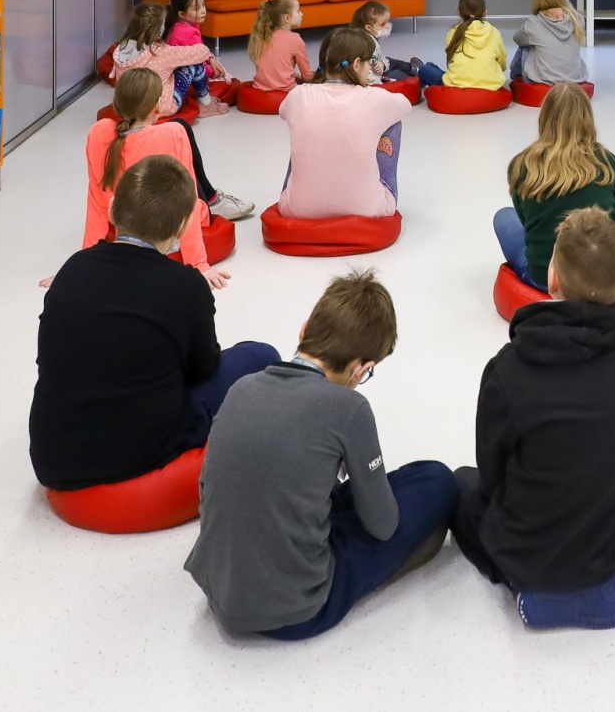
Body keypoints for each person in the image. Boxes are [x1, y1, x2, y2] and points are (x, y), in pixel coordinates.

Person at [184, 269, 458, 640]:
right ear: (361, 368)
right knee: (437, 480)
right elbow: (382, 525)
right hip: (298, 610)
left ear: (304, 331)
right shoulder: (349, 408)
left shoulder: (241, 388)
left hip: (220, 592)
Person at [453, 207, 615, 630]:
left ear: (551, 279)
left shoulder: (509, 370)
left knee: (459, 484)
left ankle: (528, 586)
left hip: (535, 551)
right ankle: (591, 582)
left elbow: (492, 469)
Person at [30, 155, 280, 491]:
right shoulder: (186, 285)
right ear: (182, 227)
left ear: (113, 208)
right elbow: (202, 370)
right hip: (140, 454)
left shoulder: (71, 270)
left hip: (52, 460)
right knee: (260, 356)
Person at [493, 82, 615, 299]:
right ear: (587, 119)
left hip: (544, 278)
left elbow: (527, 224)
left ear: (543, 118)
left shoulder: (522, 164)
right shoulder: (607, 162)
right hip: (609, 281)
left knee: (504, 217)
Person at [82, 70, 250, 290]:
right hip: (166, 228)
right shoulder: (173, 134)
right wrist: (199, 264)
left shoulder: (99, 133)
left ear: (117, 105)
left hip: (125, 225)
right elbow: (187, 200)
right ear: (157, 106)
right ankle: (213, 199)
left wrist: (83, 264)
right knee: (183, 132)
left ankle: (212, 198)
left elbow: (97, 201)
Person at [279, 28, 411, 220]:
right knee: (392, 121)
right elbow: (406, 105)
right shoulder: (375, 98)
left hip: (296, 209)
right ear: (357, 64)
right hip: (368, 209)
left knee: (304, 126)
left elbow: (282, 111)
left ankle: (307, 194)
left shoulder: (298, 95)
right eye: (368, 63)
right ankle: (375, 191)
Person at [112, 2, 230, 116]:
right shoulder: (160, 52)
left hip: (127, 107)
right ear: (159, 31)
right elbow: (201, 52)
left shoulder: (121, 48)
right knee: (195, 64)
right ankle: (206, 103)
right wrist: (210, 56)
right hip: (158, 108)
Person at [416, 0, 506, 89]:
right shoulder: (495, 32)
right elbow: (502, 64)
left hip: (457, 87)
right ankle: (431, 67)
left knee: (424, 70)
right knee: (432, 69)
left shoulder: (453, 32)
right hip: (490, 87)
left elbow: (452, 61)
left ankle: (427, 69)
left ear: (459, 11)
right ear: (485, 12)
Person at [511, 0, 588, 86]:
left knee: (525, 47)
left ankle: (515, 76)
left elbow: (517, 38)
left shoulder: (534, 22)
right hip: (574, 79)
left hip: (544, 81)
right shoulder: (577, 18)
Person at [163, 0, 231, 90]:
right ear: (182, 14)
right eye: (196, 8)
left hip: (178, 74)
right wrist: (212, 73)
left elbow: (200, 50)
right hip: (186, 80)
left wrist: (210, 58)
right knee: (229, 83)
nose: (203, 10)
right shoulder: (189, 33)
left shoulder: (176, 25)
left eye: (203, 5)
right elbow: (198, 63)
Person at [248, 0, 313, 93]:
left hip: (260, 90)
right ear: (287, 18)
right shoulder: (295, 39)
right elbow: (307, 76)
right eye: (298, 11)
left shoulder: (262, 36)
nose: (301, 14)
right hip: (285, 93)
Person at [350, 0, 421, 81]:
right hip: (375, 80)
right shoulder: (363, 45)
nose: (388, 26)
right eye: (382, 24)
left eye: (388, 21)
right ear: (369, 28)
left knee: (390, 61)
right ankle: (418, 77)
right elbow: (365, 75)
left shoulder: (371, 37)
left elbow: (379, 58)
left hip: (378, 72)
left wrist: (382, 64)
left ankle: (416, 70)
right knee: (397, 74)